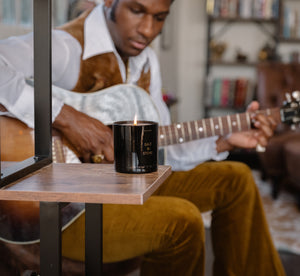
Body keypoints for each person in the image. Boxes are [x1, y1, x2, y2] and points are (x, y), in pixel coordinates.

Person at [0, 0, 286, 275]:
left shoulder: (146, 61)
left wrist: (225, 140)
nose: (148, 30)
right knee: (182, 220)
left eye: (159, 17)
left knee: (236, 178)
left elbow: (164, 149)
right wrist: (68, 118)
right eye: (137, 11)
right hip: (61, 211)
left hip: (123, 186)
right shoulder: (67, 46)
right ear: (111, 1)